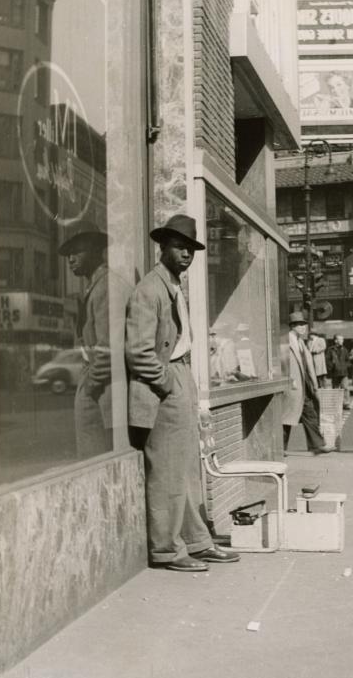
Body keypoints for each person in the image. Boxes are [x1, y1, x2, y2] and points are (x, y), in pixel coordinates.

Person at [125, 213, 239, 572]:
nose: (186, 254)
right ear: (163, 247)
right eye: (179, 246)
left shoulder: (173, 286)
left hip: (181, 377)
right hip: (165, 384)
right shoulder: (150, 289)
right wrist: (167, 382)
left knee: (188, 469)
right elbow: (138, 351)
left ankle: (195, 541)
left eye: (190, 248)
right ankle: (167, 549)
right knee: (169, 472)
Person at [58, 220, 129, 459]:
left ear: (95, 251)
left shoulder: (107, 286)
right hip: (102, 391)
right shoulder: (96, 287)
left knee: (100, 462)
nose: (70, 258)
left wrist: (89, 387)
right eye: (68, 253)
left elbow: (110, 349)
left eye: (77, 251)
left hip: (106, 392)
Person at [282, 311, 331, 455]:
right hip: (293, 386)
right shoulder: (286, 341)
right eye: (301, 325)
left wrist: (313, 384)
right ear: (294, 326)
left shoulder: (300, 342)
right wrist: (289, 380)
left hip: (305, 386)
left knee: (310, 414)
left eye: (304, 325)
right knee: (287, 417)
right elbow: (283, 364)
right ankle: (280, 447)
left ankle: (317, 444)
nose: (304, 328)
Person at [326, 334, 351, 409]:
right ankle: (336, 404)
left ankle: (346, 404)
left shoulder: (345, 349)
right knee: (335, 388)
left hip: (344, 372)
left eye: (342, 339)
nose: (342, 341)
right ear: (335, 340)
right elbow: (327, 360)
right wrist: (332, 367)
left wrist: (346, 366)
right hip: (335, 372)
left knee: (345, 388)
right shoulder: (330, 350)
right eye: (340, 339)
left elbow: (348, 360)